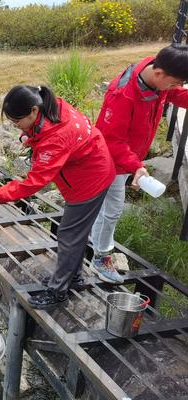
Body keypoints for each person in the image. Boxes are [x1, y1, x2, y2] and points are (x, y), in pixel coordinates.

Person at [0, 85, 116, 309]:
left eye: (17, 122)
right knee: (75, 234)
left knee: (69, 235)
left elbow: (34, 183)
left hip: (90, 182)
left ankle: (58, 292)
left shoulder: (57, 138)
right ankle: (73, 277)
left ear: (33, 111)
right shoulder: (51, 106)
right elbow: (40, 137)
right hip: (88, 173)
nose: (16, 127)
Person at [90, 44, 188, 284]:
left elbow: (171, 93)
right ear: (159, 74)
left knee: (102, 207)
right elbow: (110, 140)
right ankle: (100, 258)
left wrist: (134, 164)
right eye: (175, 82)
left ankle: (92, 238)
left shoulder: (155, 78)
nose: (174, 87)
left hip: (128, 159)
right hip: (109, 160)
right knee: (113, 210)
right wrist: (136, 166)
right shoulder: (122, 95)